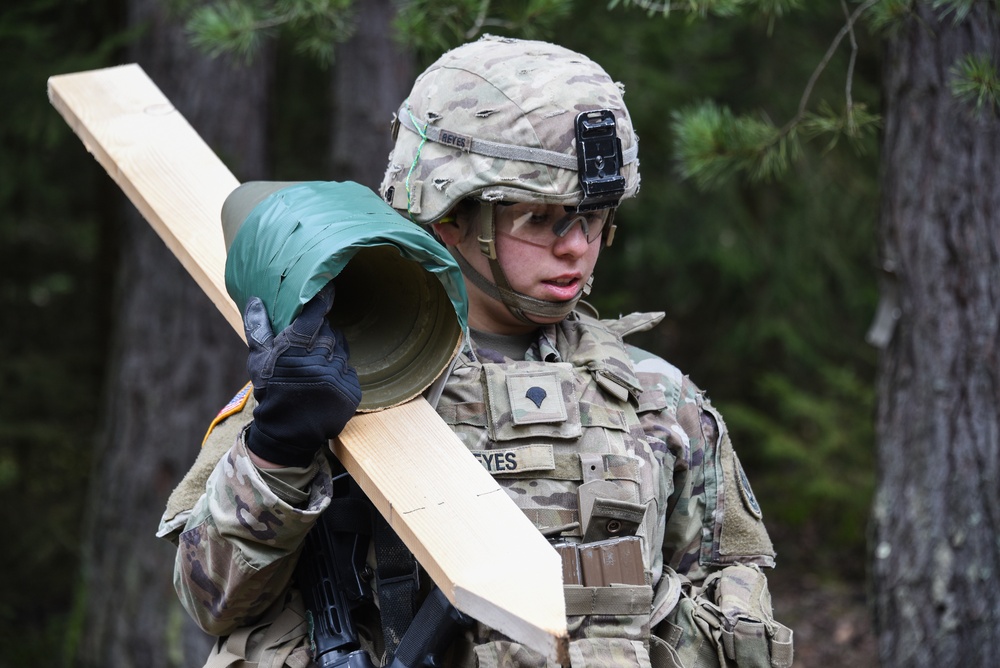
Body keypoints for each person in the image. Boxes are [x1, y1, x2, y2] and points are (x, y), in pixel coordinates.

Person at [158, 35, 793, 668]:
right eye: (542, 219)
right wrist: (279, 446)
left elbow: (741, 627)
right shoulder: (344, 378)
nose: (577, 247)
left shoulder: (658, 400)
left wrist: (620, 614)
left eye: (593, 216)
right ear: (449, 214)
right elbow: (212, 601)